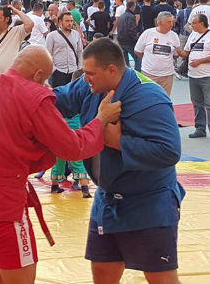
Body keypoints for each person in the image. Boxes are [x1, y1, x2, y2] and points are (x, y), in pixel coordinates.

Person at [0, 45, 120, 284]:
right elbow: (72, 148)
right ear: (37, 77)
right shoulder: (34, 98)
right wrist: (101, 119)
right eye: (43, 81)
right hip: (4, 209)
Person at [53, 37, 183, 284]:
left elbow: (169, 151)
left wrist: (118, 142)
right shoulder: (89, 86)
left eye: (90, 73)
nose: (85, 78)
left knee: (162, 279)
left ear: (111, 70)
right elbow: (59, 100)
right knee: (102, 275)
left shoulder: (149, 97)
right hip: (108, 198)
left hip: (148, 202)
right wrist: (23, 92)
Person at [183, 14, 210, 142]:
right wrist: (175, 51)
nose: (192, 25)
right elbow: (186, 52)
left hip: (208, 75)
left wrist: (200, 61)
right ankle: (200, 128)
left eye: (194, 23)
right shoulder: (193, 35)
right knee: (197, 104)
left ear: (202, 23)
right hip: (193, 75)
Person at [133, 11, 182, 96]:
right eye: (168, 22)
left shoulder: (174, 36)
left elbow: (176, 55)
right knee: (148, 98)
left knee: (164, 98)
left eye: (172, 22)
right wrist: (149, 59)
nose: (171, 25)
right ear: (159, 22)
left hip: (167, 75)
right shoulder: (148, 33)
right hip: (149, 74)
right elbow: (138, 51)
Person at [45, 11, 83, 87]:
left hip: (74, 71)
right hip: (58, 72)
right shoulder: (52, 36)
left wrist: (79, 68)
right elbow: (47, 54)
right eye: (67, 21)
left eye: (71, 21)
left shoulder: (76, 34)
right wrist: (54, 70)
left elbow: (80, 52)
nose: (70, 23)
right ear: (60, 22)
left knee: (73, 96)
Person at [117, 1, 141, 71]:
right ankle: (137, 75)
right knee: (138, 58)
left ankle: (126, 74)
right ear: (132, 7)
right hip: (129, 41)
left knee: (125, 60)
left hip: (121, 40)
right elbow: (131, 30)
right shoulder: (131, 16)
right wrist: (136, 39)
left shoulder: (122, 15)